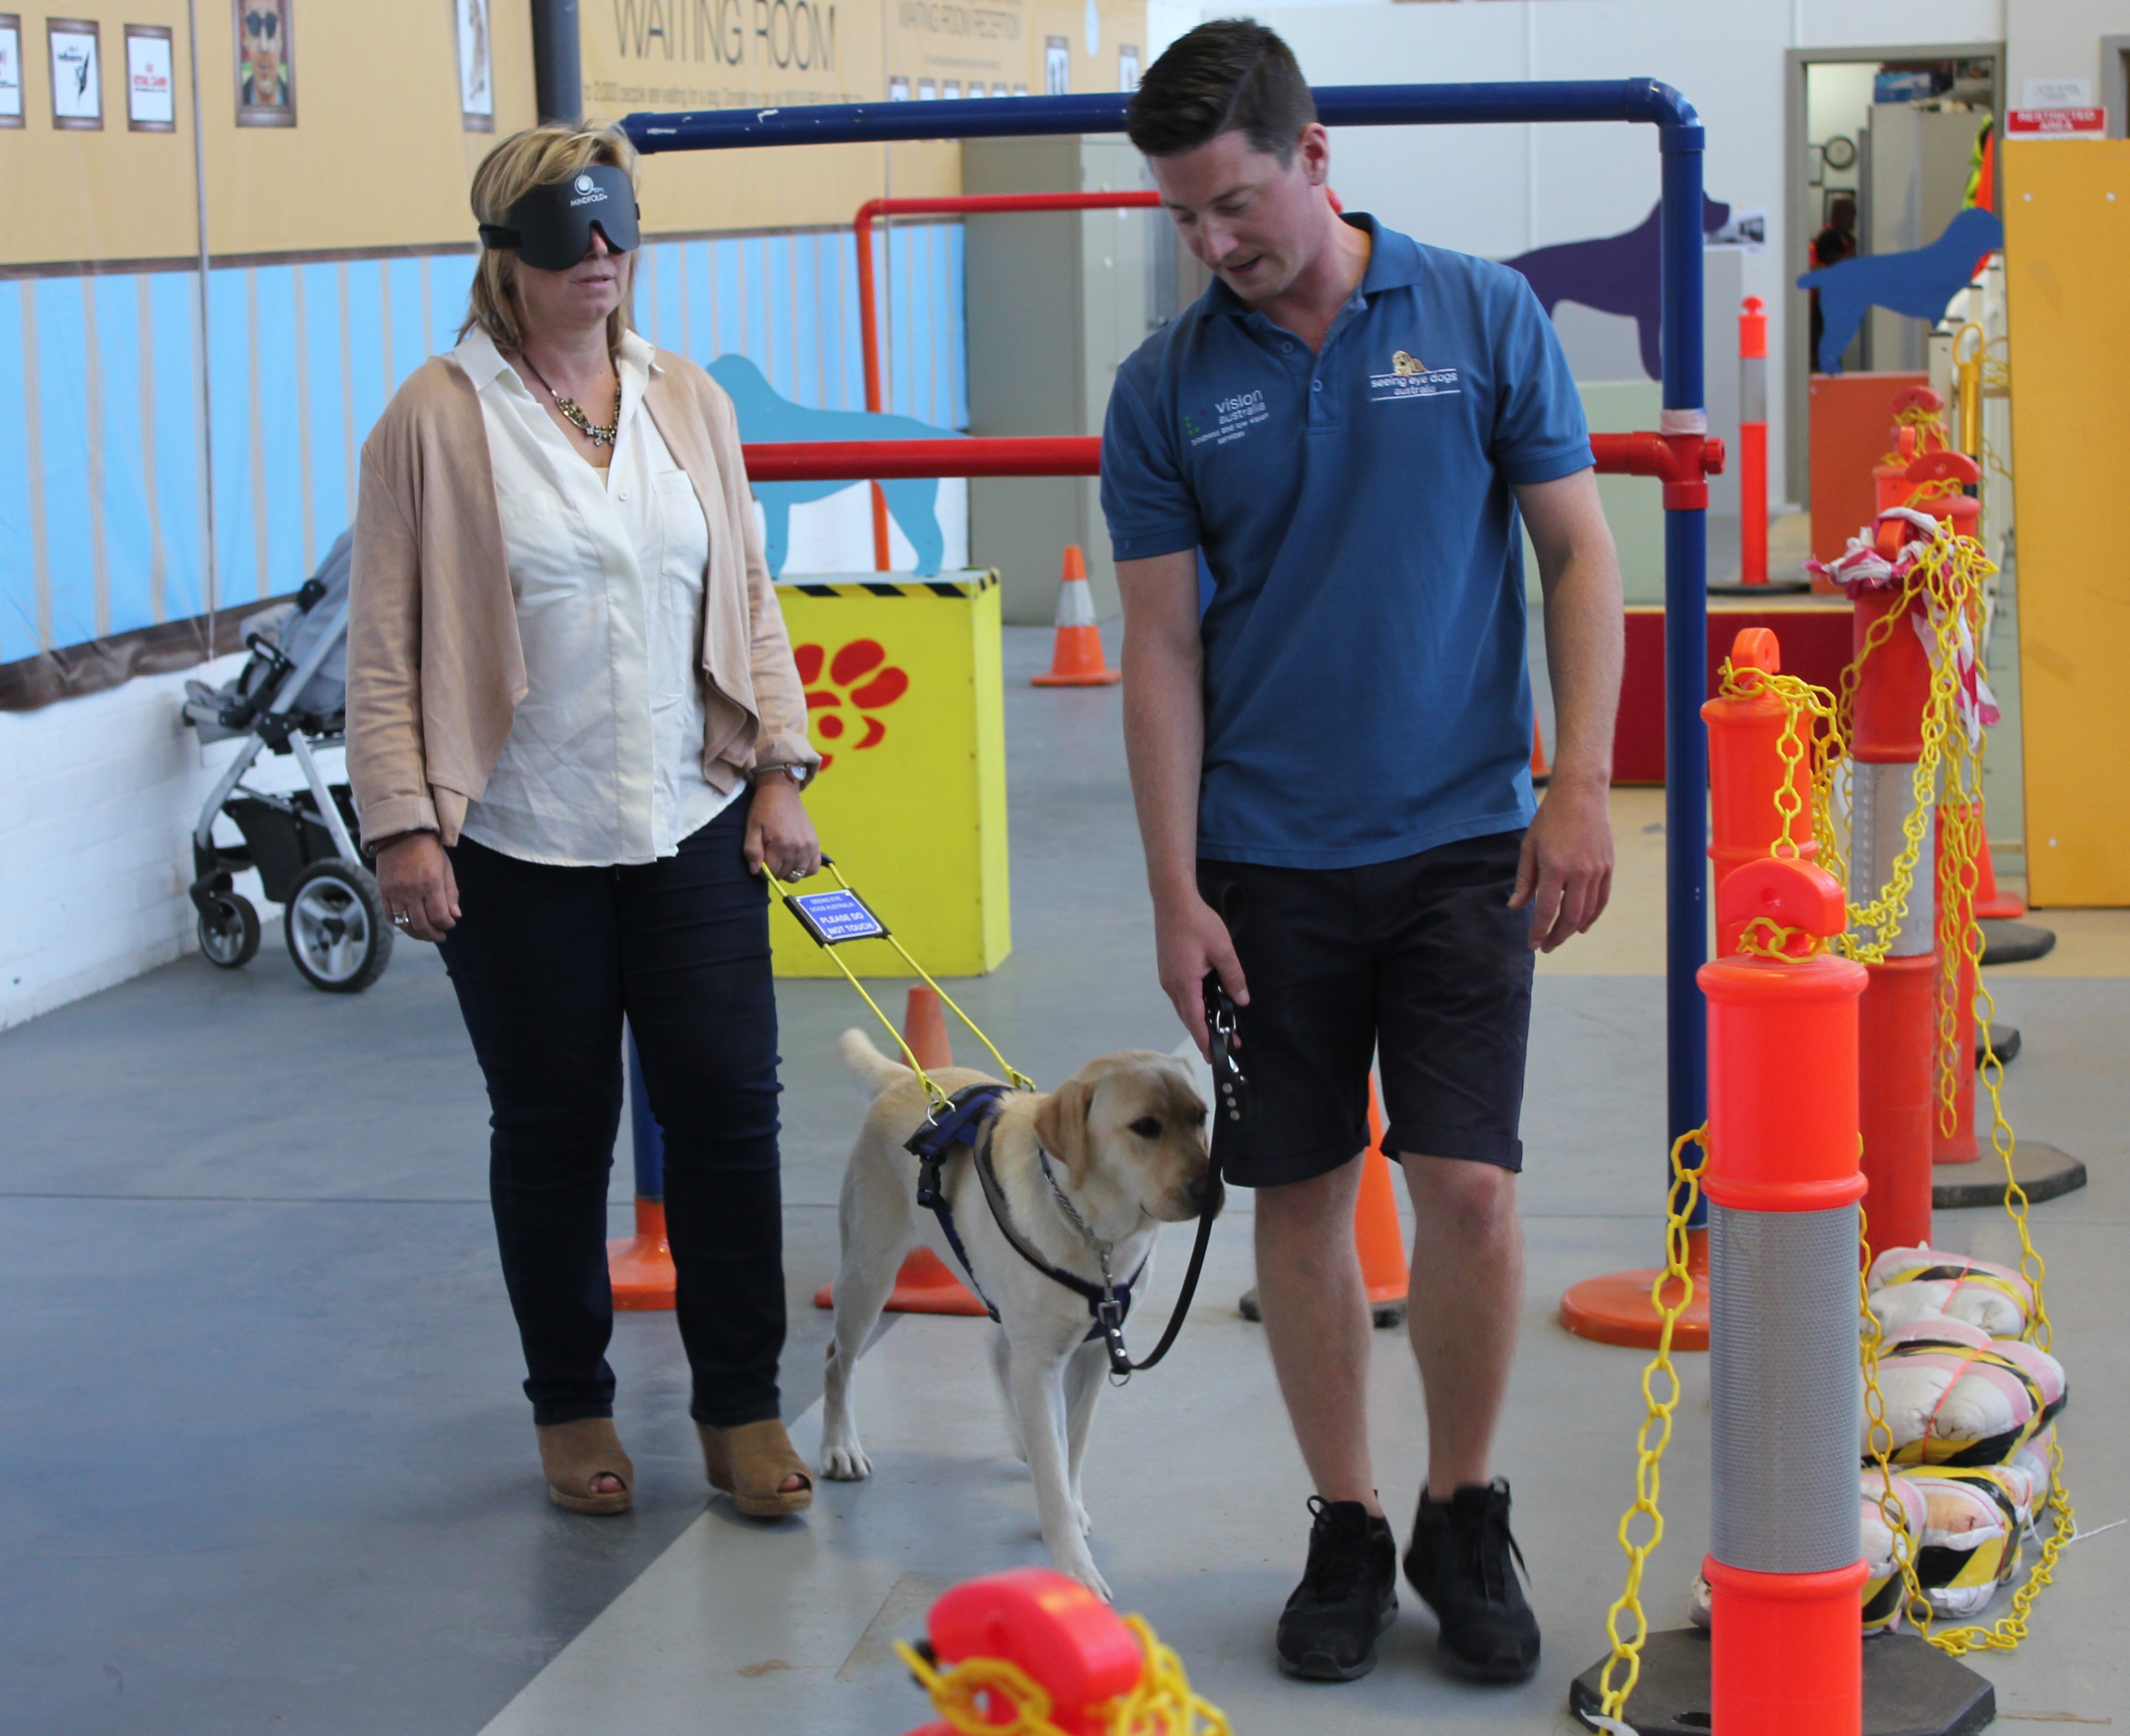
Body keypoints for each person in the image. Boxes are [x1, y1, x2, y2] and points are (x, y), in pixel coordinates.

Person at [1101, 23, 1622, 1687]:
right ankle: (1343, 1519)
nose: (1211, 244)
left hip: (1465, 838)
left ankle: (1460, 1508)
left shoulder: (1479, 317)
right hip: (1265, 866)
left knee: (1464, 1183)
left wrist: (1579, 783)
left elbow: (1576, 553)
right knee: (1298, 1193)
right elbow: (1160, 651)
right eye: (1182, 218)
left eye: (1233, 203)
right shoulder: (1166, 386)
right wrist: (1174, 888)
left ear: (1313, 155)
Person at [346, 123, 822, 1522]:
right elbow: (385, 646)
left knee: (731, 1116)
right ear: (503, 253)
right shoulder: (435, 417)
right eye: (571, 236)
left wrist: (779, 765)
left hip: (688, 818)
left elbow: (745, 590)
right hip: (513, 837)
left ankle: (741, 1405)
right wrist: (401, 826)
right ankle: (570, 1402)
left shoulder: (685, 399)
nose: (602, 259)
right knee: (554, 1127)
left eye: (618, 231)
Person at [1809, 194, 1859, 368]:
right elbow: (1839, 263)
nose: (1853, 219)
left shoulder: (1848, 238)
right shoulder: (1829, 237)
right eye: (1850, 214)